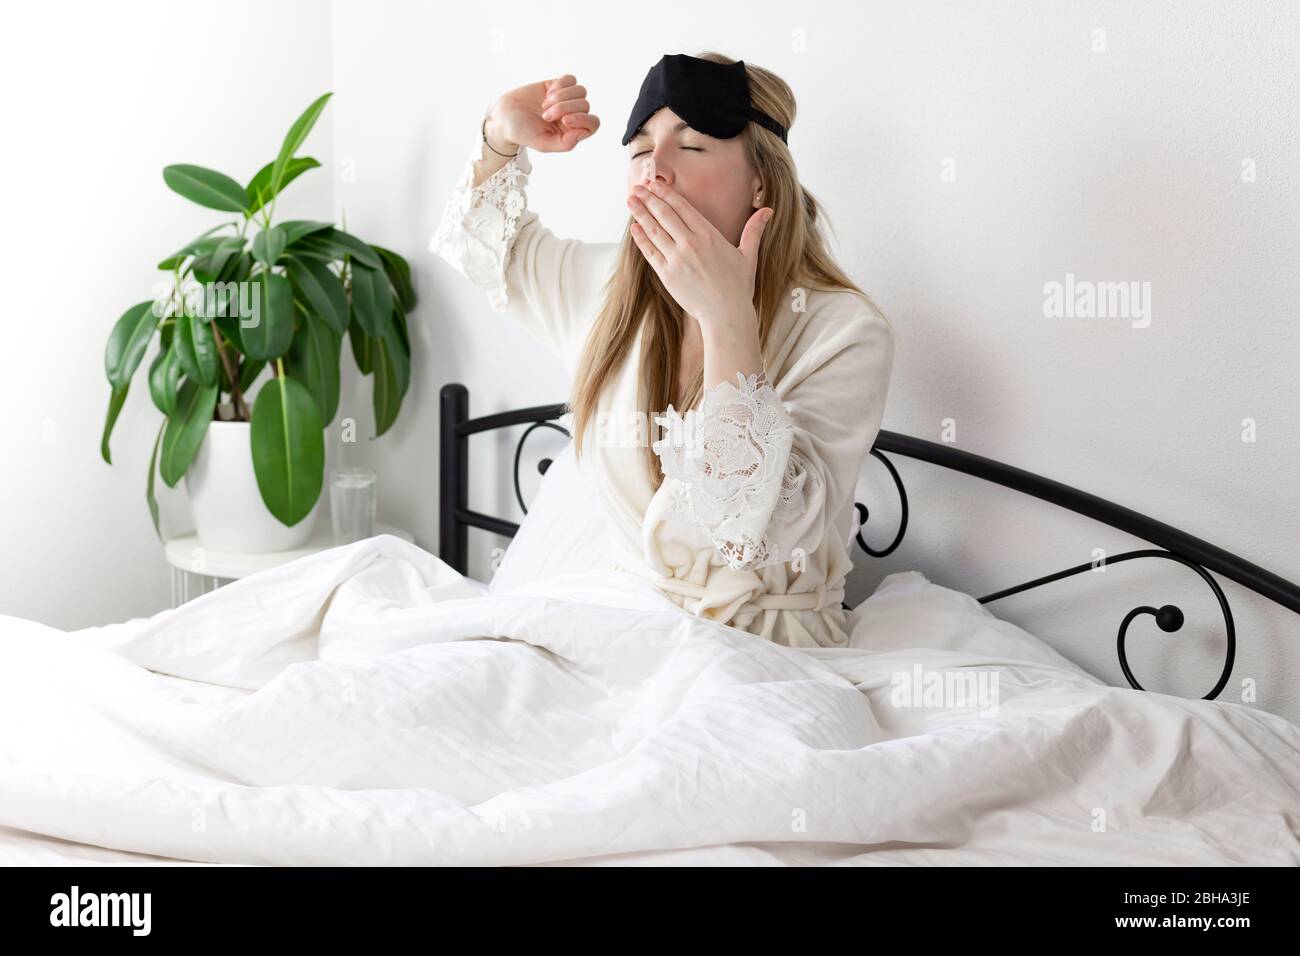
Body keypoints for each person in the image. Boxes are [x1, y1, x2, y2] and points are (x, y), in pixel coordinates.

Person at [430, 51, 895, 648]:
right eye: (641, 150)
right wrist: (499, 133)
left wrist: (727, 319)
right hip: (622, 628)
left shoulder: (844, 332)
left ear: (761, 177)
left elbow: (750, 534)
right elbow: (484, 249)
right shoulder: (606, 291)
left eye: (692, 146)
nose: (656, 170)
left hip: (771, 655)